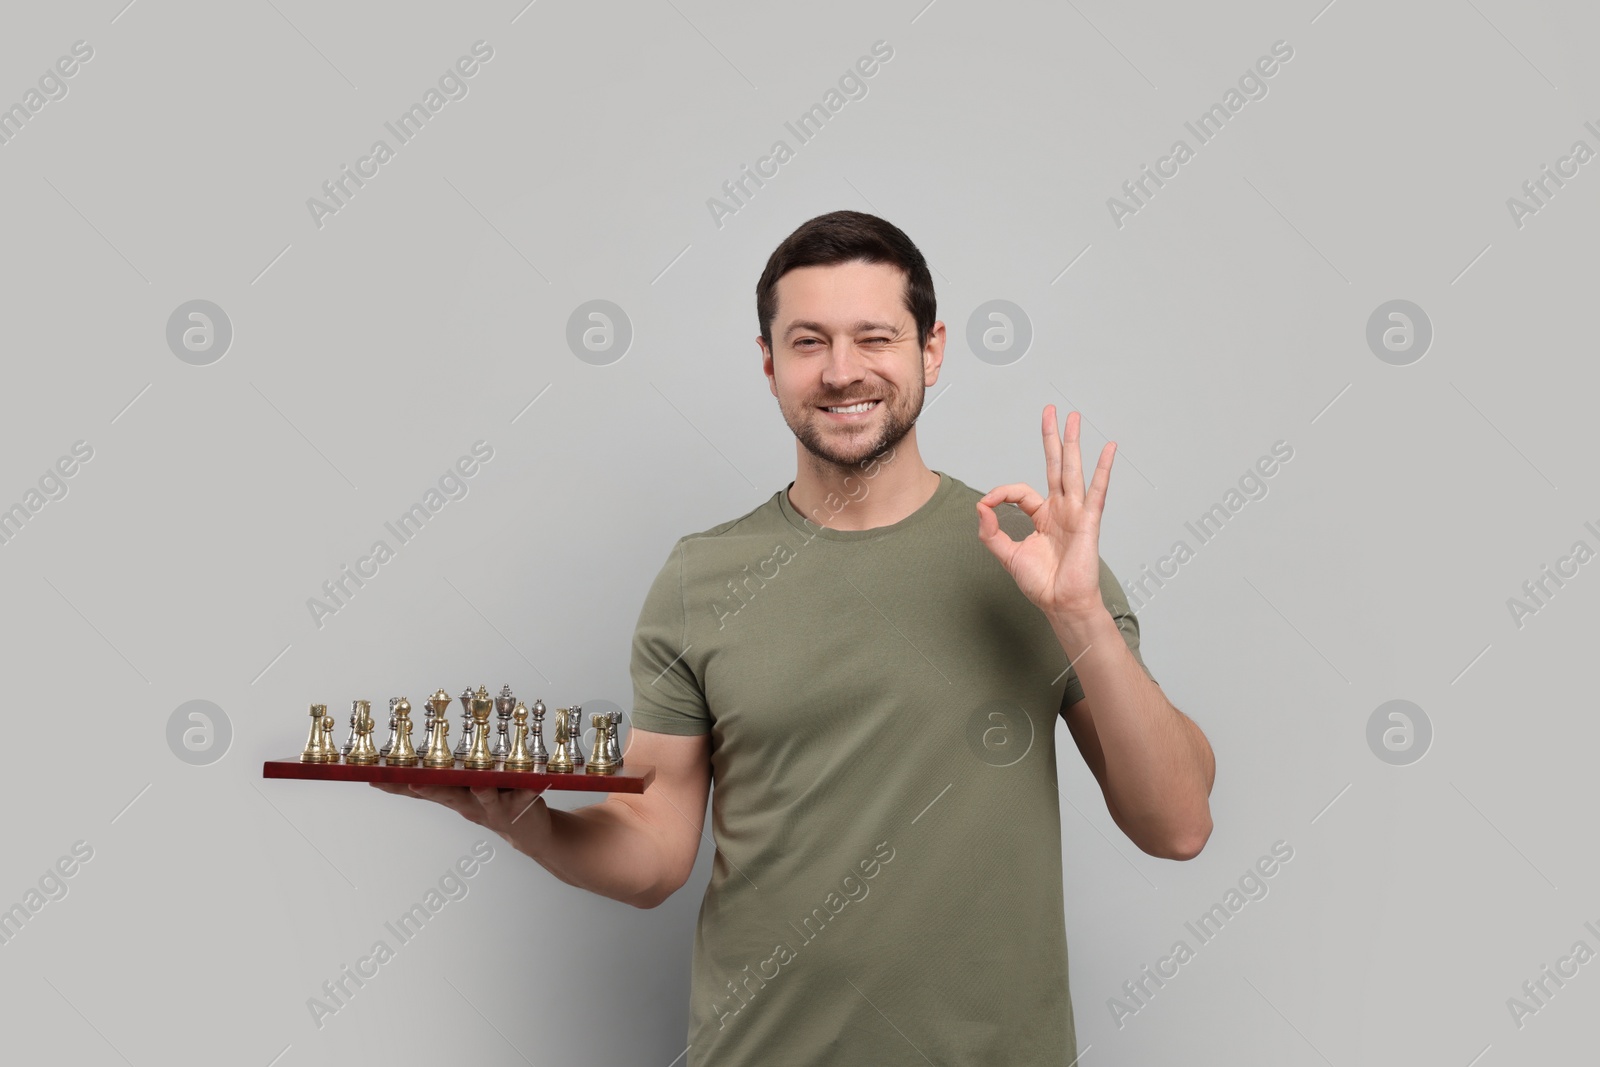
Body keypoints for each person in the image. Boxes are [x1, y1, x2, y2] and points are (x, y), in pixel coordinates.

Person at [375, 210, 1215, 1064]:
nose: (843, 371)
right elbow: (658, 853)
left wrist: (1077, 616)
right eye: (809, 341)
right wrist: (527, 822)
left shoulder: (1033, 560)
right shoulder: (700, 578)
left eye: (875, 337)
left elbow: (1178, 824)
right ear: (770, 363)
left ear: (931, 350)